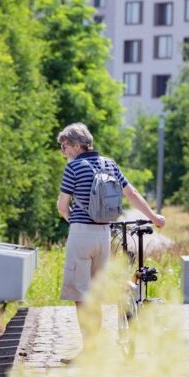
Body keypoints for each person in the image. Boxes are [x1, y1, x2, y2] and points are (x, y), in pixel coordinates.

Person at [56, 123, 164, 346]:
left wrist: (76, 222)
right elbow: (131, 193)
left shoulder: (73, 168)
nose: (63, 152)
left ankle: (90, 348)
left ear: (77, 145)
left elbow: (62, 207)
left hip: (81, 236)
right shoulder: (109, 164)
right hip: (104, 235)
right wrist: (154, 216)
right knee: (95, 292)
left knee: (80, 295)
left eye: (64, 147)